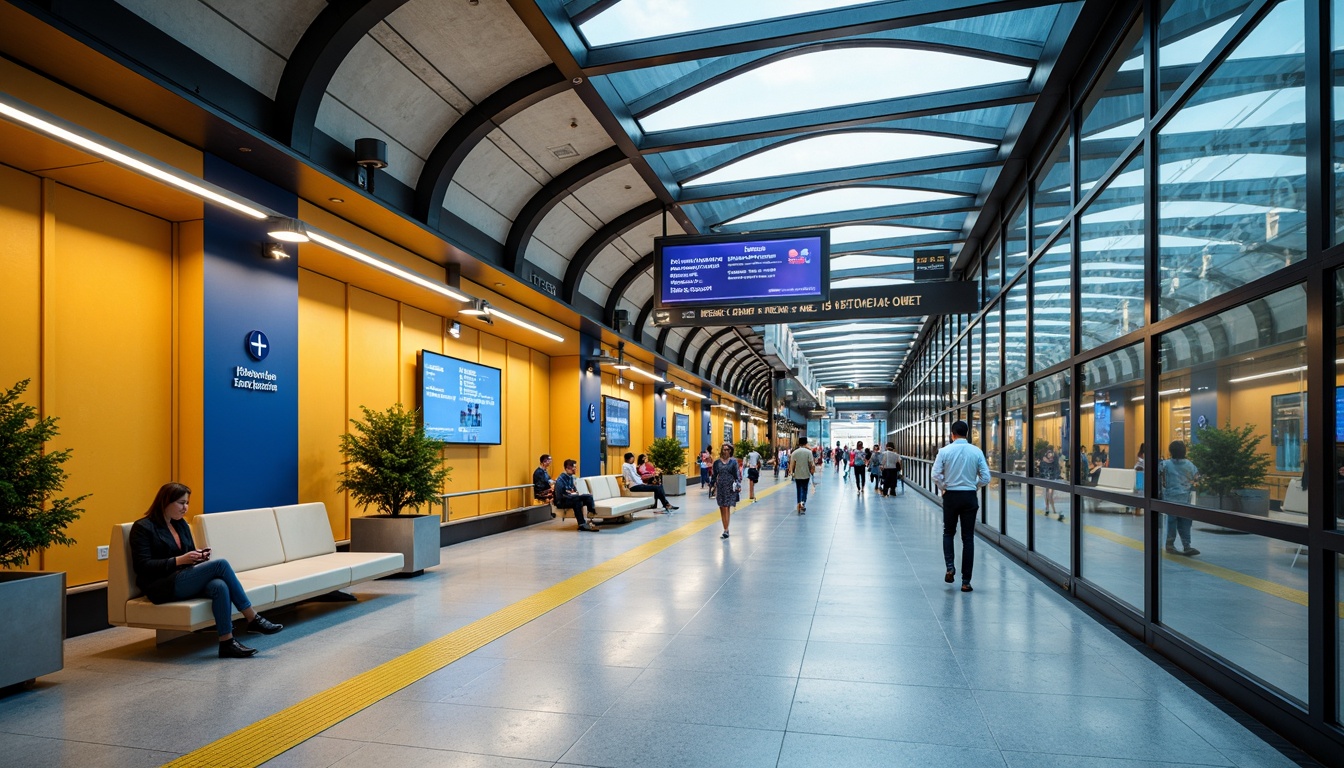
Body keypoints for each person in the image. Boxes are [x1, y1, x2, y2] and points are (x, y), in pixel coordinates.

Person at [129, 483, 283, 658]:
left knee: (219, 586)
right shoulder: (143, 528)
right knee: (221, 564)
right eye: (181, 503)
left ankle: (227, 642)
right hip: (161, 585)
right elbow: (142, 566)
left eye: (187, 503)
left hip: (182, 577)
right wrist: (179, 560)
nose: (185, 508)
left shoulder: (181, 525)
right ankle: (253, 618)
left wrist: (199, 557)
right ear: (166, 501)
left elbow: (189, 554)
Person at [932, 420, 990, 593]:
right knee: (968, 538)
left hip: (951, 496)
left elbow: (935, 475)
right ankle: (966, 582)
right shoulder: (976, 451)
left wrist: (944, 487)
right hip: (969, 496)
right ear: (967, 433)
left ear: (952, 434)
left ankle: (950, 567)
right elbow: (986, 477)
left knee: (948, 533)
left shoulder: (944, 451)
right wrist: (974, 486)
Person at [1158, 440, 1199, 556]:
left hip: (1169, 498)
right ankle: (1187, 545)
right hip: (1185, 498)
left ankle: (1170, 544)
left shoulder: (1165, 464)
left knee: (1171, 522)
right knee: (1186, 522)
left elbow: (1160, 476)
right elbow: (1196, 478)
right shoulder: (1190, 465)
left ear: (1171, 451)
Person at [554, 459, 600, 532]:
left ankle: (592, 513)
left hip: (572, 498)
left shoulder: (571, 478)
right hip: (563, 501)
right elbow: (560, 496)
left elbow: (574, 490)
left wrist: (573, 493)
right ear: (567, 469)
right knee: (577, 502)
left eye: (575, 467)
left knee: (588, 497)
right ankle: (582, 524)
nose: (575, 469)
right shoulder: (560, 480)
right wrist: (572, 494)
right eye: (573, 467)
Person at [712, 443, 742, 539]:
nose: (725, 451)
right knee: (722, 507)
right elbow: (714, 475)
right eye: (724, 449)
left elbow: (737, 475)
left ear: (730, 451)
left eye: (727, 450)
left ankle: (726, 529)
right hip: (720, 486)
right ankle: (725, 527)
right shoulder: (717, 463)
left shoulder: (733, 462)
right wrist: (712, 485)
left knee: (726, 507)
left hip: (729, 487)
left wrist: (738, 485)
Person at [1037, 446, 1062, 519]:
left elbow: (1057, 471)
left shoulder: (1054, 462)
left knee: (1049, 495)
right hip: (1046, 481)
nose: (1051, 457)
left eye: (1051, 456)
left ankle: (1052, 510)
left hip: (1051, 481)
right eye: (1049, 456)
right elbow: (1042, 471)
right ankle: (1048, 509)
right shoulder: (1043, 462)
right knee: (1047, 495)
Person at [791, 436, 814, 513]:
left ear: (799, 443)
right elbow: (812, 464)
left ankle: (799, 503)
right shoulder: (809, 452)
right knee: (805, 489)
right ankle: (803, 503)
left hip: (797, 475)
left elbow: (792, 465)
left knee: (799, 489)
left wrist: (792, 473)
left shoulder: (794, 453)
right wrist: (812, 471)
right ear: (806, 443)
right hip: (806, 474)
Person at [532, 454, 556, 518]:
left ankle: (550, 512)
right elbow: (545, 482)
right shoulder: (539, 472)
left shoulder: (544, 471)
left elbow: (548, 480)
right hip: (540, 492)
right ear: (544, 462)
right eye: (549, 461)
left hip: (544, 489)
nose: (550, 463)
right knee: (556, 492)